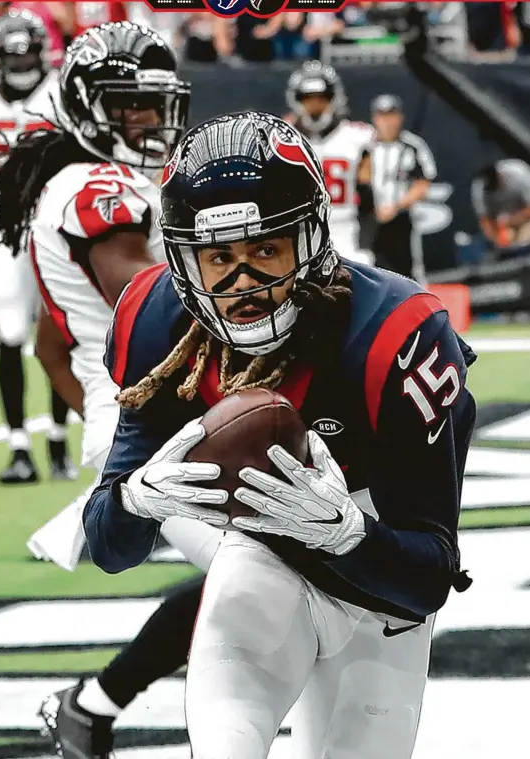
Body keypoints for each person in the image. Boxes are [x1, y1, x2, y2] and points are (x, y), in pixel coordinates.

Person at [81, 111, 476, 759]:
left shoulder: (392, 334)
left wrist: (347, 531)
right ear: (184, 262)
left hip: (379, 576)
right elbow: (110, 546)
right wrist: (136, 499)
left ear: (312, 237)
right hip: (266, 545)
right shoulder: (157, 324)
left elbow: (426, 574)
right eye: (218, 258)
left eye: (265, 248)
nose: (244, 283)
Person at [0, 22, 221, 759]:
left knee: (267, 583)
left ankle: (92, 704)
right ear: (90, 105)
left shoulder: (95, 179)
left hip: (155, 415)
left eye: (156, 104)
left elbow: (49, 345)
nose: (150, 121)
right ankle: (98, 706)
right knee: (270, 583)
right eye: (131, 106)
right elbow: (156, 303)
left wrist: (102, 399)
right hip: (161, 426)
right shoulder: (94, 188)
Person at [0, 8, 76, 484]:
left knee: (60, 331)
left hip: (53, 223)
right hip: (0, 226)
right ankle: (19, 448)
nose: (21, 61)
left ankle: (57, 439)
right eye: (13, 53)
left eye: (26, 51)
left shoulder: (63, 96)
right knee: (9, 332)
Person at [285, 60, 374, 264]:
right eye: (308, 99)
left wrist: (367, 243)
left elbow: (370, 200)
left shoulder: (357, 137)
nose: (315, 107)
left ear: (335, 99)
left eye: (321, 99)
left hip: (344, 231)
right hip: (297, 230)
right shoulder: (282, 136)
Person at [366, 93, 437, 283]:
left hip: (401, 221)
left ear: (400, 117)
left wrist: (397, 206)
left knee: (409, 271)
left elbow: (423, 184)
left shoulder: (412, 146)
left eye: (392, 115)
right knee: (370, 270)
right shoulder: (365, 145)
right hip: (369, 221)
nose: (388, 122)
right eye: (383, 116)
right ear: (375, 119)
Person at [471, 159, 530, 256]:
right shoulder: (479, 187)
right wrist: (497, 239)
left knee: (524, 239)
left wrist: (512, 220)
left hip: (525, 220)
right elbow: (485, 220)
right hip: (504, 225)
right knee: (506, 242)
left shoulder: (518, 172)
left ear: (499, 175)